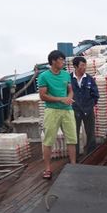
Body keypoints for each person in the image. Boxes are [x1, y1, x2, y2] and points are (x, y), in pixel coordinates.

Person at [38, 50, 77, 179]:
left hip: (67, 110)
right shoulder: (44, 76)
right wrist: (61, 99)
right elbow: (43, 96)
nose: (63, 62)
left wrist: (69, 98)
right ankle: (48, 169)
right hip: (52, 111)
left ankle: (73, 165)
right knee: (49, 140)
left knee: (72, 138)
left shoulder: (66, 75)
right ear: (53, 61)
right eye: (61, 59)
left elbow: (70, 91)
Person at [71, 56, 99, 156]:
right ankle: (76, 155)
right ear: (75, 66)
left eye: (85, 65)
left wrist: (90, 105)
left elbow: (95, 95)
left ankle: (92, 153)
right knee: (74, 134)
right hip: (74, 110)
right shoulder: (69, 79)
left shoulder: (89, 79)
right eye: (82, 65)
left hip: (88, 109)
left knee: (90, 132)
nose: (84, 67)